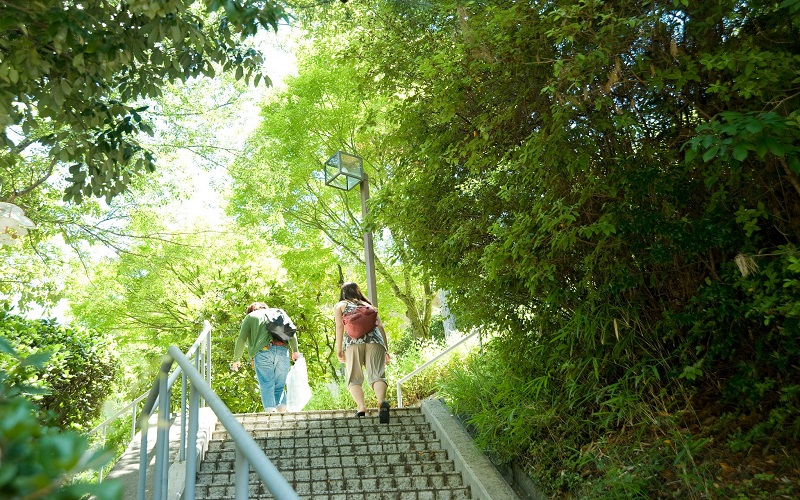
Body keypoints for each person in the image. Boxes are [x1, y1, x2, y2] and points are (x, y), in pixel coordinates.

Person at [334, 282, 391, 422]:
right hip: (375, 342)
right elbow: (381, 326)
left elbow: (340, 327)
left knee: (354, 378)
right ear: (358, 292)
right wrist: (386, 349)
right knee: (377, 375)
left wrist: (339, 348)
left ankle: (361, 408)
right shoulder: (368, 306)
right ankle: (381, 402)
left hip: (353, 343)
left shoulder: (341, 305)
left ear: (343, 293)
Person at [231, 302, 300, 413]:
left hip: (263, 353)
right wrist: (295, 350)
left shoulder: (250, 317)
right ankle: (282, 411)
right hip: (282, 351)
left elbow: (241, 339)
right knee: (280, 385)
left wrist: (236, 359)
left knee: (267, 384)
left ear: (251, 310)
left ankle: (270, 413)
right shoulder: (279, 312)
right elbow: (291, 331)